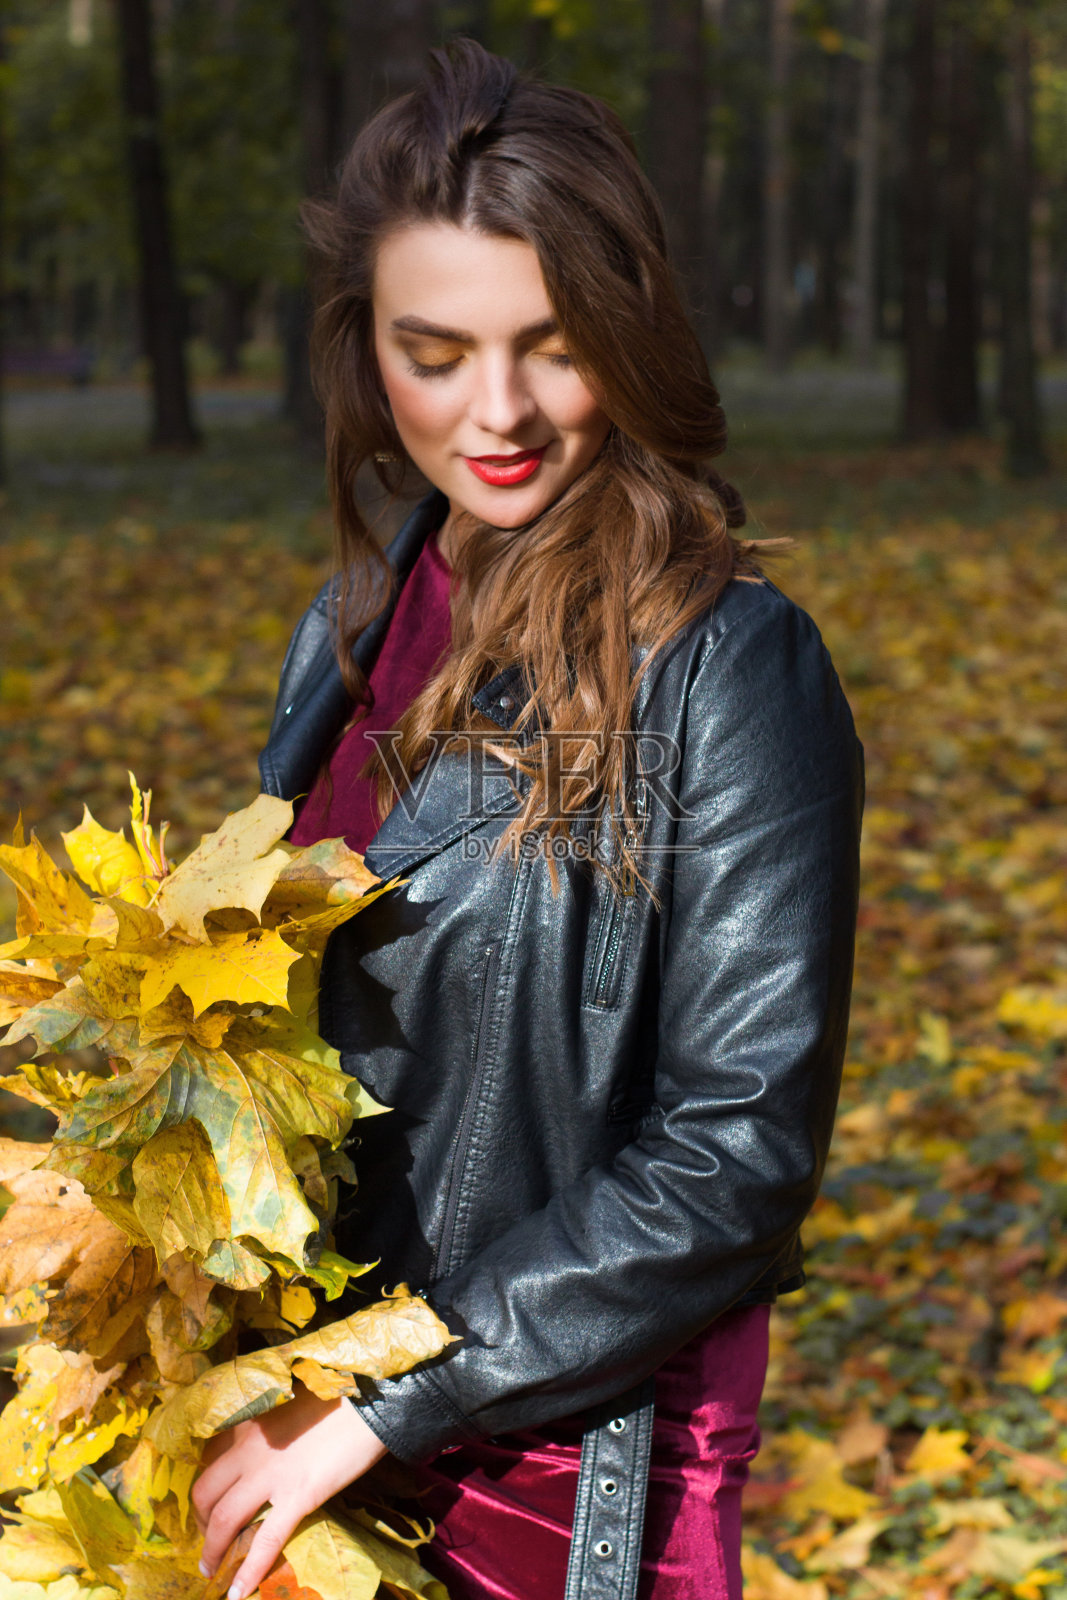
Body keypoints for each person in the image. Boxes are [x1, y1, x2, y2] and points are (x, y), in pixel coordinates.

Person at [191, 38, 863, 1600]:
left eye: (551, 347)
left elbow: (735, 1149)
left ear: (625, 338)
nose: (495, 411)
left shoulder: (726, 664)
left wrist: (381, 1394)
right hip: (306, 1426)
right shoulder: (351, 622)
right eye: (436, 352)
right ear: (368, 351)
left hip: (557, 1460)